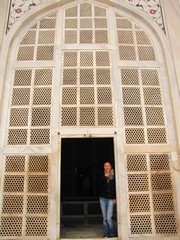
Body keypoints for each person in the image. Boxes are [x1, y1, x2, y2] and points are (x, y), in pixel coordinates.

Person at [99, 162, 116, 238]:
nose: (107, 167)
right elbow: (100, 186)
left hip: (110, 199)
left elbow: (115, 187)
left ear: (110, 167)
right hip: (102, 199)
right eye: (105, 166)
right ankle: (106, 234)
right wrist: (105, 176)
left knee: (109, 218)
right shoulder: (102, 176)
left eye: (108, 166)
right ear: (104, 168)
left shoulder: (113, 176)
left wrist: (115, 198)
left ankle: (112, 234)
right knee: (104, 218)